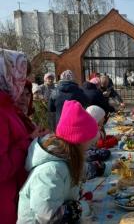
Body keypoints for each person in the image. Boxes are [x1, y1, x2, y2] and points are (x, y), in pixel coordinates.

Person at [17, 100, 100, 223]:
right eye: (91, 140)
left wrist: (106, 167)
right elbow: (49, 216)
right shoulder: (50, 171)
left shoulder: (68, 159)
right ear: (79, 140)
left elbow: (84, 170)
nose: (92, 144)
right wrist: (81, 207)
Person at [0, 49, 30, 224]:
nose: (21, 81)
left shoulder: (7, 104)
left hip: (13, 195)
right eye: (19, 74)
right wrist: (27, 142)